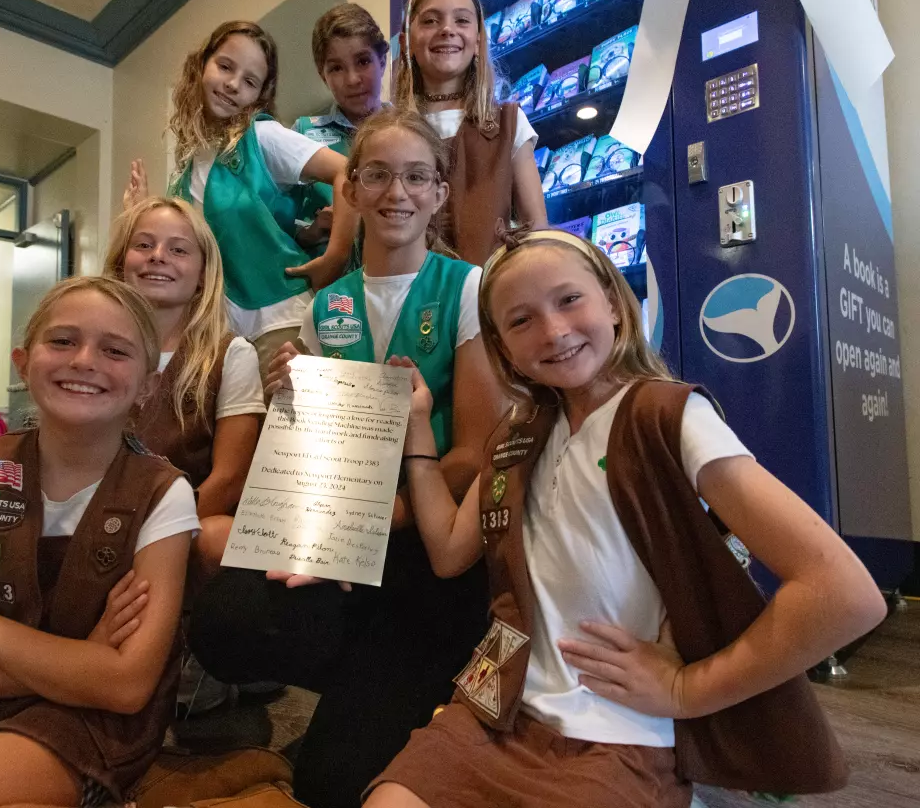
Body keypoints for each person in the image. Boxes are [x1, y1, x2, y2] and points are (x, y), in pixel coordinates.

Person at [365, 228, 886, 808]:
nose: (555, 331)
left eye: (569, 300)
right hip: (497, 713)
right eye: (520, 321)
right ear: (502, 348)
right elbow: (448, 551)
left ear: (613, 300)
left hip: (621, 737)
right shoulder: (519, 435)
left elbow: (843, 593)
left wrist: (686, 691)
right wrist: (418, 426)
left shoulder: (668, 417)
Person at [187, 108, 501, 808]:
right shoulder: (323, 306)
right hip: (354, 543)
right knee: (226, 621)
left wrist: (370, 523)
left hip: (428, 545)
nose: (398, 193)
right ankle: (378, 690)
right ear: (351, 190)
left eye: (417, 177)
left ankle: (401, 691)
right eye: (379, 175)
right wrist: (287, 404)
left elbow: (474, 453)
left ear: (440, 194)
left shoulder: (468, 287)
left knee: (330, 785)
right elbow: (316, 460)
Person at [0, 276, 200, 808]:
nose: (83, 360)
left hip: (103, 729)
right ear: (21, 361)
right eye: (61, 341)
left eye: (115, 350)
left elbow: (125, 686)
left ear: (148, 384)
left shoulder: (163, 495)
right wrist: (82, 665)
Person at [124, 20, 356, 375]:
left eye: (249, 81)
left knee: (287, 428)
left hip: (279, 320)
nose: (233, 84)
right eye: (225, 67)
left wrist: (335, 256)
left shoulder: (263, 137)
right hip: (219, 331)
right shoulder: (186, 165)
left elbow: (348, 172)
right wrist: (141, 213)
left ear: (260, 94)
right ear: (202, 65)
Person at [104, 196, 265, 573]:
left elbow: (230, 479)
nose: (158, 256)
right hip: (92, 518)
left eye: (178, 249)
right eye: (143, 244)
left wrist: (148, 536)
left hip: (181, 525)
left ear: (202, 277)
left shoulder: (231, 355)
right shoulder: (90, 351)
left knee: (220, 534)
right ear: (119, 266)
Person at [395, 0, 548, 265]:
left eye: (462, 20)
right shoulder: (392, 132)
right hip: (411, 301)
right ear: (407, 42)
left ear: (478, 40)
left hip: (487, 297)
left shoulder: (509, 125)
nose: (447, 29)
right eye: (430, 20)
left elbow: (537, 229)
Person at [291, 3, 390, 253]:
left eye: (363, 61)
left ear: (382, 60)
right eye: (336, 68)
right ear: (323, 76)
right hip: (330, 286)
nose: (352, 79)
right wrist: (311, 231)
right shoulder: (301, 135)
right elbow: (275, 223)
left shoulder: (412, 131)